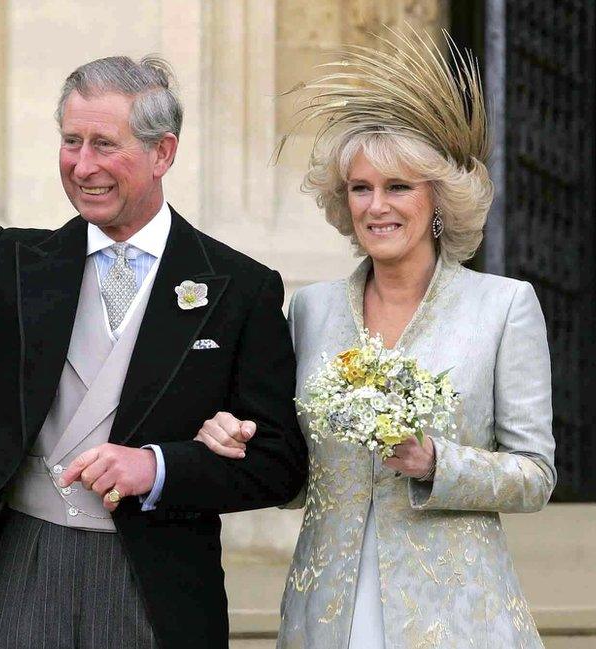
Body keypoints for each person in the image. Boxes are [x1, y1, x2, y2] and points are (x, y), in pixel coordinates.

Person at [0, 55, 307, 648]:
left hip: (155, 582)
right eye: (71, 142)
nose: (83, 166)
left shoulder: (240, 288)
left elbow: (279, 467)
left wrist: (157, 467)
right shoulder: (18, 264)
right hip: (24, 563)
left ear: (163, 153)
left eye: (105, 144)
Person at [195, 32, 556, 648]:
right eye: (360, 188)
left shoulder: (503, 307)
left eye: (398, 187)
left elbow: (535, 475)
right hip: (326, 606)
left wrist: (436, 462)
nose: (376, 206)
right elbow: (290, 467)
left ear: (438, 199)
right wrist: (233, 437)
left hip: (453, 612)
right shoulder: (310, 310)